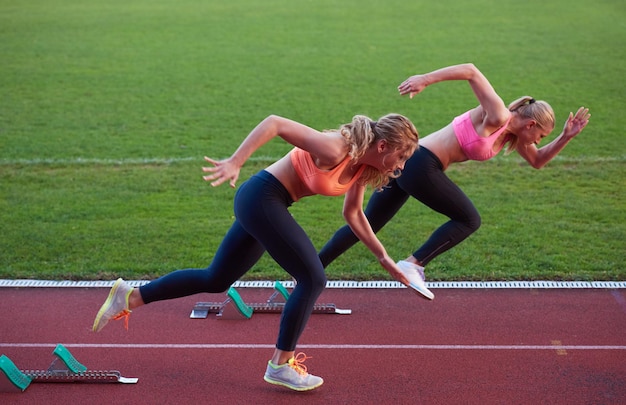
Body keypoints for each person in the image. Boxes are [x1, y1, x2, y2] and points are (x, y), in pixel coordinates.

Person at [92, 113, 419, 391]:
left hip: (269, 205)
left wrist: (384, 258)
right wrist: (236, 161)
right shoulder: (336, 148)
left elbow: (354, 215)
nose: (401, 166)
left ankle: (131, 296)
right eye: (401, 157)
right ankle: (280, 364)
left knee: (217, 278)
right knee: (312, 278)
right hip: (262, 197)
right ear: (382, 146)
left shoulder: (362, 166)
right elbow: (275, 123)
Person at [319, 63, 591, 300]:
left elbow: (538, 161)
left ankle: (309, 272)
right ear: (530, 125)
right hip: (421, 163)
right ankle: (413, 264)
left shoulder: (511, 136)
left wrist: (566, 137)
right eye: (540, 135)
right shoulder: (498, 116)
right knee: (469, 219)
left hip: (410, 164)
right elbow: (471, 70)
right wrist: (425, 79)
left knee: (367, 224)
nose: (537, 142)